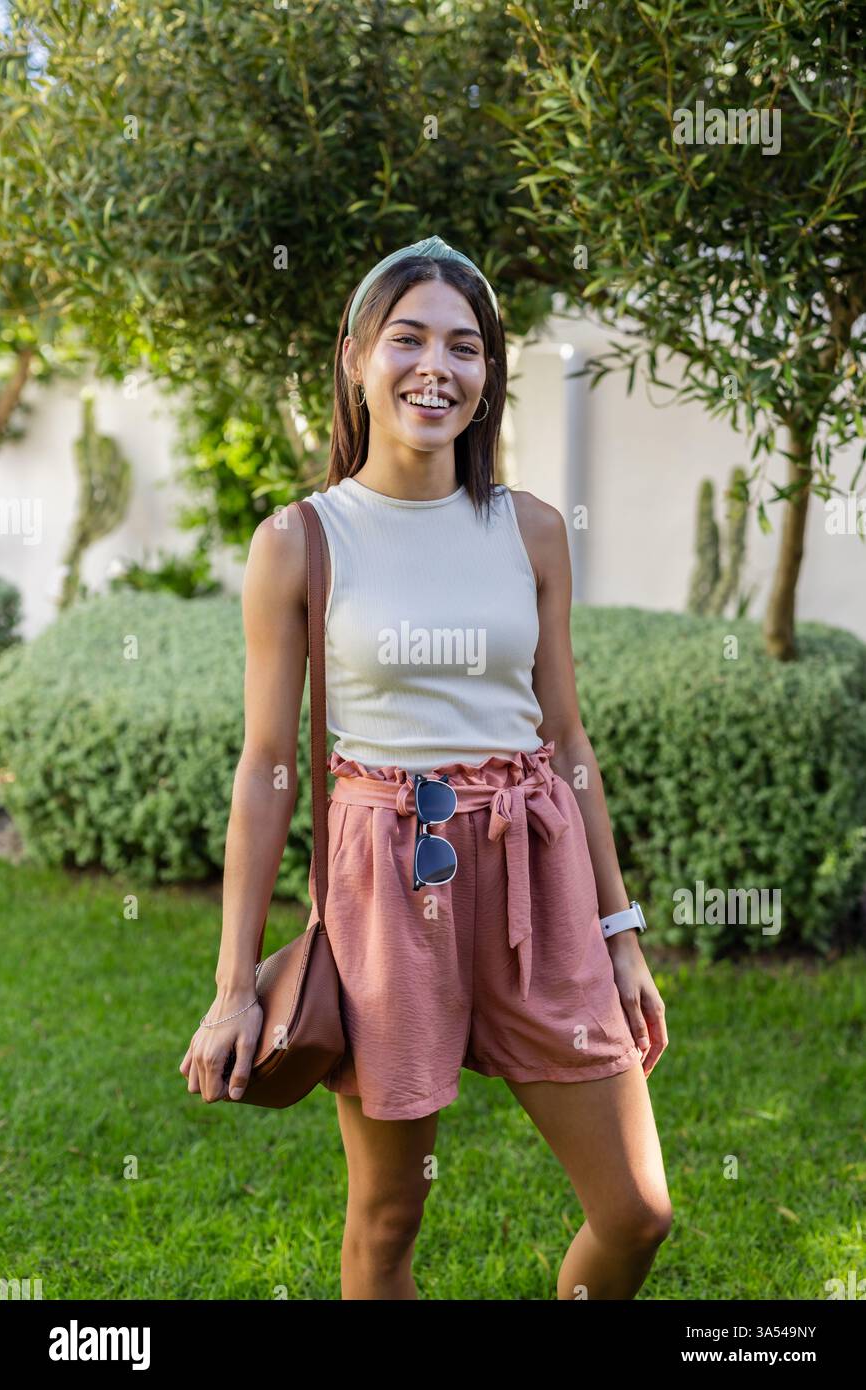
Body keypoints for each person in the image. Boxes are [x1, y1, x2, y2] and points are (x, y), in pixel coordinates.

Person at [180, 234, 672, 1300]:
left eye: (465, 345)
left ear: (489, 374)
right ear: (357, 356)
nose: (435, 368)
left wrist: (619, 930)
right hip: (386, 883)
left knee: (637, 1210)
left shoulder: (531, 529)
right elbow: (268, 764)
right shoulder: (301, 540)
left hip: (536, 864)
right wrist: (233, 988)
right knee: (390, 1217)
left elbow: (570, 741)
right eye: (408, 339)